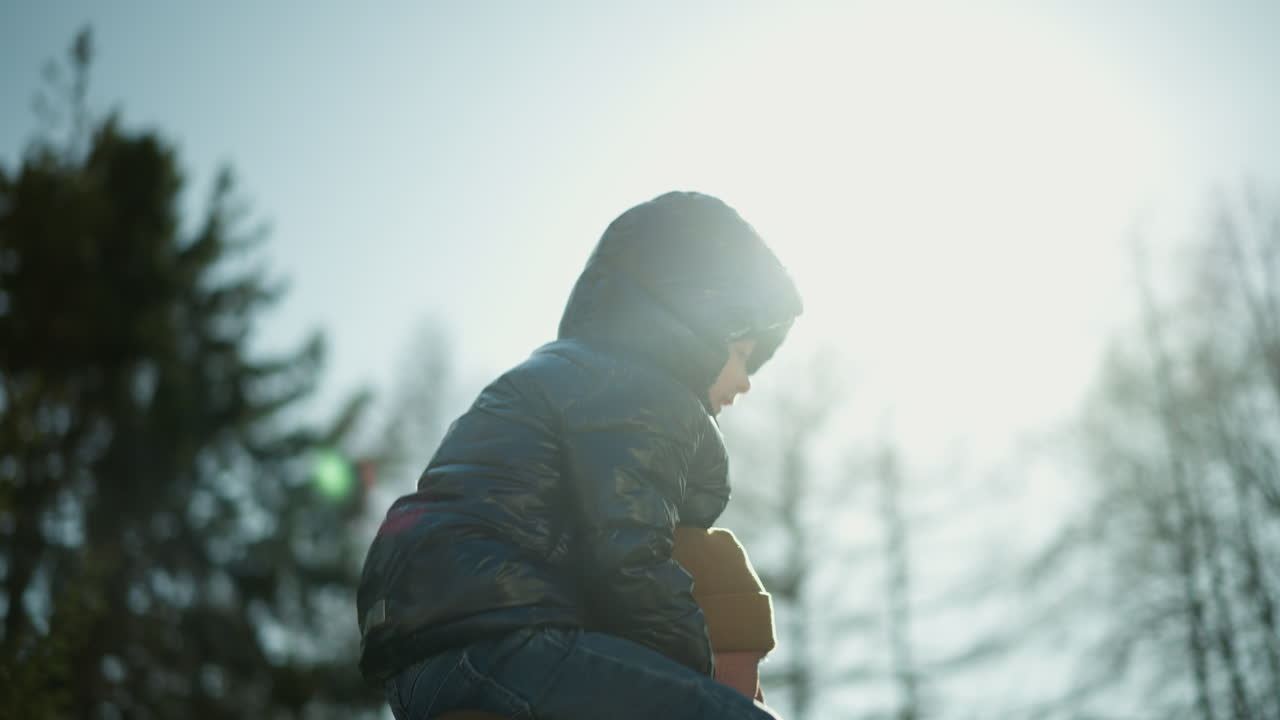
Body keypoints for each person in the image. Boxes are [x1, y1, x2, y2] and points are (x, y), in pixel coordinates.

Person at [357, 191, 803, 719]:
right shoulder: (641, 393)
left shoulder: (576, 377)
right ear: (698, 317)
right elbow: (630, 556)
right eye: (744, 354)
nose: (747, 382)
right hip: (505, 642)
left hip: (426, 662)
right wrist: (691, 670)